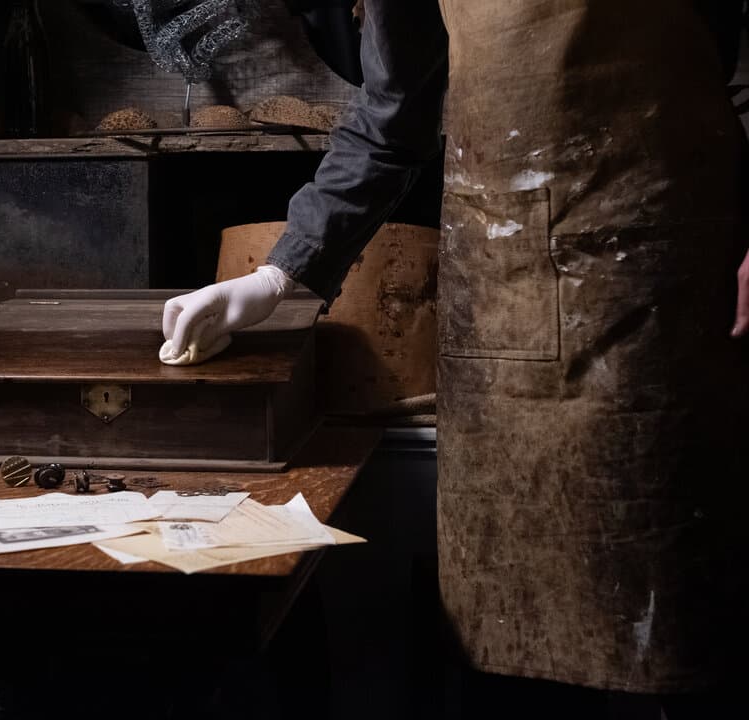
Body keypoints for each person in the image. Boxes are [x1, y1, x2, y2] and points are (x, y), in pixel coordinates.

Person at [161, 0, 749, 714]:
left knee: (679, 623)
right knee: (509, 642)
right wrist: (280, 274)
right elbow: (395, 109)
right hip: (504, 303)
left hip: (671, 295)